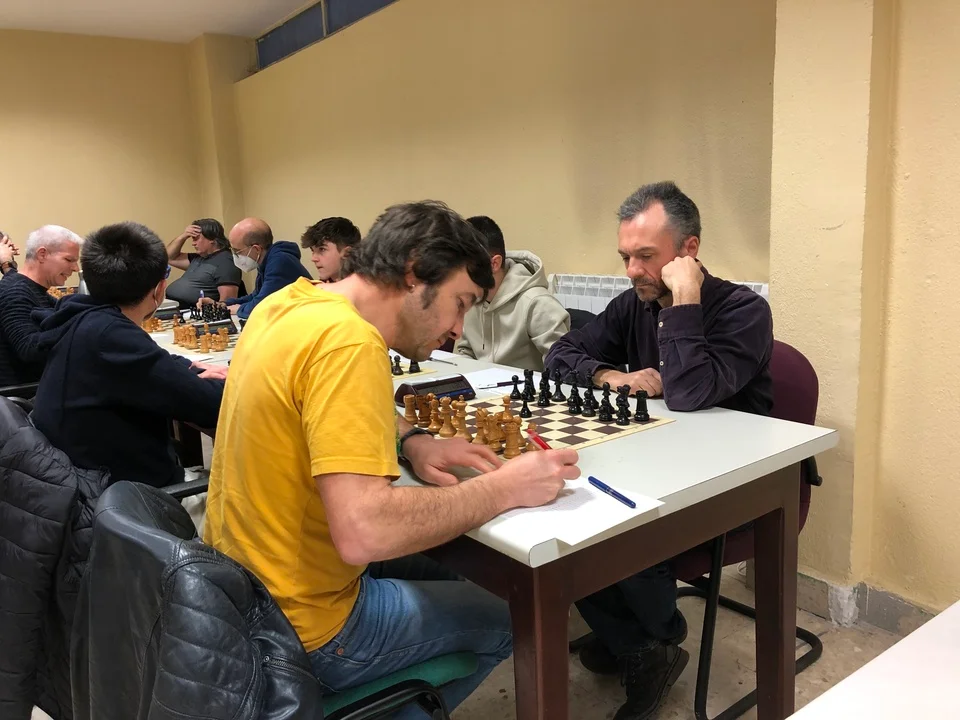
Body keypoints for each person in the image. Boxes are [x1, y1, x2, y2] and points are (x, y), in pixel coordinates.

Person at [203, 200, 581, 717]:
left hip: (237, 592)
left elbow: (319, 404)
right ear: (414, 271)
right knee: (515, 616)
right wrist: (503, 487)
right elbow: (366, 531)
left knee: (455, 568)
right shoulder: (350, 343)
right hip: (305, 624)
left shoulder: (288, 304)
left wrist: (411, 439)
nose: (459, 329)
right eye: (460, 303)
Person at [545, 181, 774, 720]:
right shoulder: (634, 304)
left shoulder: (743, 311)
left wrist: (684, 302)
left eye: (645, 256)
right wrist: (609, 376)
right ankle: (642, 643)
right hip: (660, 461)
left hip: (730, 484)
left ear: (688, 250)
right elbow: (559, 354)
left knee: (621, 525)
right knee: (566, 509)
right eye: (625, 256)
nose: (631, 271)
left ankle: (650, 638)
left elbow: (690, 393)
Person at [32, 221, 227, 489]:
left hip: (80, 479)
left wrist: (191, 367)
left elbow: (154, 364)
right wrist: (234, 378)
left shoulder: (81, 318)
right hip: (125, 499)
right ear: (159, 289)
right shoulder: (111, 335)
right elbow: (211, 406)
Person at [453, 216, 569, 372]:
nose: (458, 274)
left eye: (466, 266)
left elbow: (562, 366)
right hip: (482, 385)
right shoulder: (471, 298)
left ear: (494, 263)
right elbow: (467, 351)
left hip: (524, 386)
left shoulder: (537, 303)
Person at [0, 225, 82, 387]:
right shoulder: (15, 291)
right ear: (42, 254)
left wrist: (7, 265)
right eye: (69, 260)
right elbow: (29, 348)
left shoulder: (30, 289)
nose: (76, 268)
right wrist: (79, 327)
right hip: (24, 396)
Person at [215, 217, 311, 320]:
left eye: (237, 251)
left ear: (256, 249)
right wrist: (224, 304)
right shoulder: (267, 260)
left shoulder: (280, 261)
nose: (235, 256)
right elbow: (256, 295)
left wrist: (239, 309)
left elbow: (262, 306)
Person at [164, 218, 242, 307]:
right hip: (175, 307)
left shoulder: (226, 262)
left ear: (211, 238)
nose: (193, 243)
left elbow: (227, 303)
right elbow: (169, 257)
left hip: (193, 311)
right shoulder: (199, 257)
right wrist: (183, 236)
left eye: (196, 239)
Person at [301, 216, 362, 282]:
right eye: (312, 251)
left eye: (322, 249)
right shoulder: (317, 287)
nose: (313, 258)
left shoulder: (366, 285)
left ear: (347, 253)